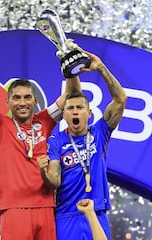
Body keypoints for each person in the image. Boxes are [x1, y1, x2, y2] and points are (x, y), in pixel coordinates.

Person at [0, 31, 82, 240]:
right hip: (14, 209)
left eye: (27, 97)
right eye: (16, 98)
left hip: (45, 206)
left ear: (35, 101)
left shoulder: (44, 121)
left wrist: (69, 63)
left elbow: (72, 96)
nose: (22, 102)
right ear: (7, 103)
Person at [37, 47, 127, 239]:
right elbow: (55, 180)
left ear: (89, 113)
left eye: (79, 107)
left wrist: (101, 67)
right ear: (64, 115)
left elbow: (120, 99)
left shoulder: (100, 132)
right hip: (66, 216)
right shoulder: (56, 142)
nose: (75, 111)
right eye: (70, 108)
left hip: (97, 212)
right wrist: (43, 173)